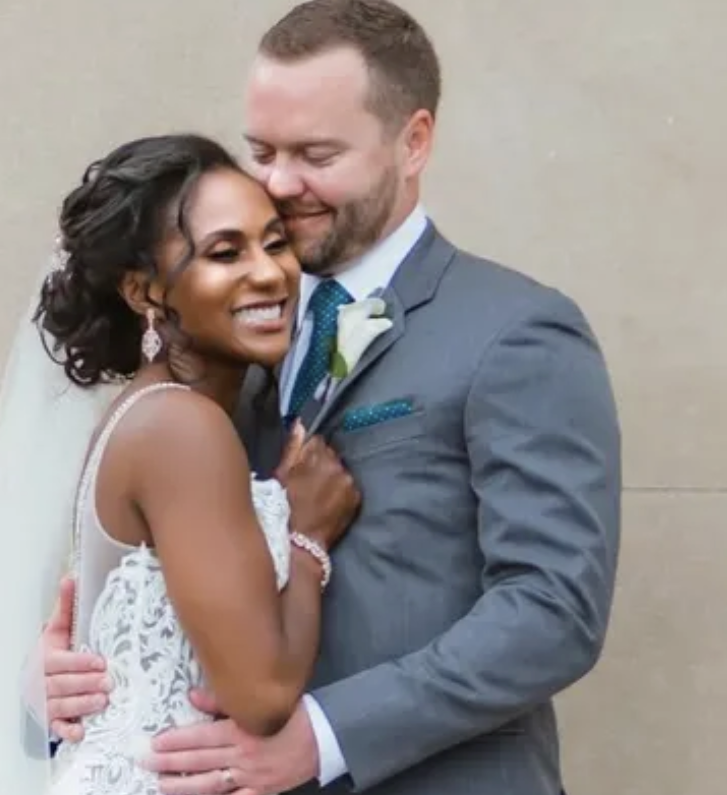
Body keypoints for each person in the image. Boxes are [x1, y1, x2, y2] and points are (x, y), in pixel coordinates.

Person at [43, 3, 622, 795]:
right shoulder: (216, 344)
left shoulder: (515, 333)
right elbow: (155, 580)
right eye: (261, 152)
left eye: (315, 153)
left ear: (412, 141)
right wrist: (68, 677)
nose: (280, 184)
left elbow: (553, 609)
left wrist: (325, 736)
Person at [0, 133, 361, 795]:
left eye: (274, 242)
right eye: (225, 252)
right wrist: (307, 540)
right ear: (144, 291)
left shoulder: (158, 412)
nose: (267, 272)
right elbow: (260, 693)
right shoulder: (179, 428)